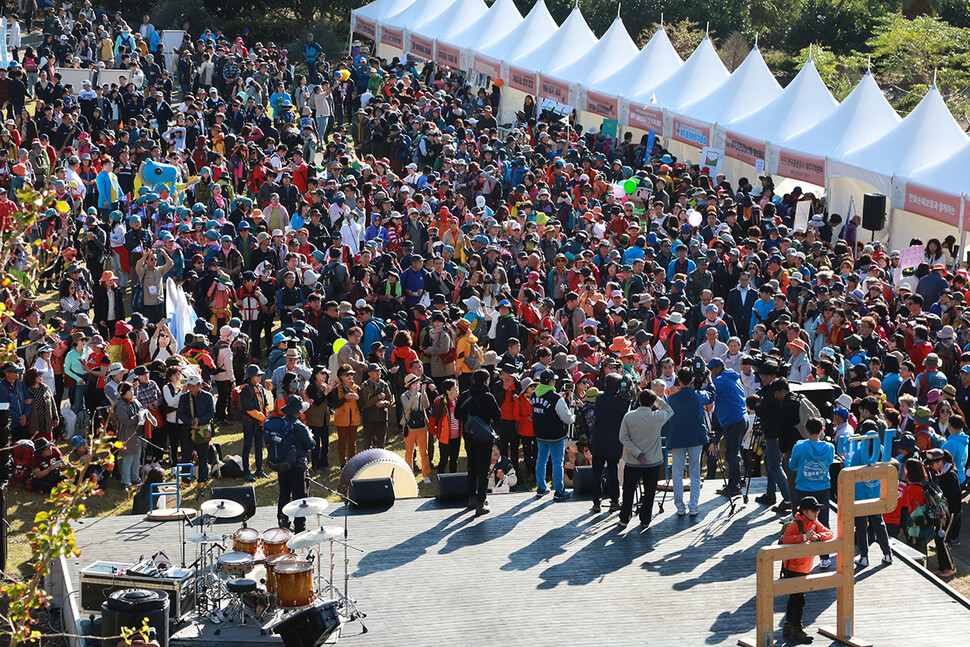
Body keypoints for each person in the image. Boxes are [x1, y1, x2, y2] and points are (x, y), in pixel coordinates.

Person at [780, 496, 835, 643]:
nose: (817, 512)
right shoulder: (794, 524)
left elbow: (830, 533)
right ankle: (796, 629)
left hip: (804, 567)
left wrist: (817, 536)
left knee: (794, 597)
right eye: (814, 510)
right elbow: (787, 539)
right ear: (804, 511)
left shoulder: (814, 523)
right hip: (793, 567)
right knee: (799, 599)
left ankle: (789, 624)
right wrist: (804, 536)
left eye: (818, 509)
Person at [618, 390, 674, 528]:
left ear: (640, 400)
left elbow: (623, 437)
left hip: (633, 461)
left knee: (628, 490)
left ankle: (624, 517)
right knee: (650, 491)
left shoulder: (629, 416)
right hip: (653, 462)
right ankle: (645, 519)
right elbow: (669, 410)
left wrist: (637, 453)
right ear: (652, 402)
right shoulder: (657, 416)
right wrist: (658, 399)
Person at [664, 367, 715, 515]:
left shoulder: (671, 398)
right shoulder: (698, 395)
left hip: (677, 437)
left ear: (678, 380)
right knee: (695, 472)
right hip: (695, 437)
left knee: (677, 474)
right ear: (692, 379)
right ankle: (693, 506)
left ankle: (680, 506)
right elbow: (711, 395)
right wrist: (709, 378)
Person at [788, 417, 836, 568]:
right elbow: (828, 463)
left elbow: (792, 466)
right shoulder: (829, 448)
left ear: (806, 430)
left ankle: (800, 556)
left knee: (800, 522)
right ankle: (825, 557)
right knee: (824, 522)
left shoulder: (799, 447)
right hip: (822, 489)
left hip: (803, 489)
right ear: (822, 430)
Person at [266, 394, 316, 532]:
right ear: (299, 411)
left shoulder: (281, 425)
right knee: (300, 497)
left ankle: (283, 523)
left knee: (284, 494)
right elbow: (311, 445)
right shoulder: (300, 427)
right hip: (298, 467)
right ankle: (299, 526)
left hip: (283, 466)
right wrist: (311, 436)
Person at [456, 369, 502, 516]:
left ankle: (471, 497)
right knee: (483, 469)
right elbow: (497, 415)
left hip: (469, 435)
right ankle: (481, 502)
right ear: (485, 381)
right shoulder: (488, 396)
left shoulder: (464, 395)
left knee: (472, 466)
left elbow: (457, 414)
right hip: (484, 437)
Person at [531, 369, 575, 501]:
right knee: (557, 462)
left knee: (541, 460)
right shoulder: (556, 398)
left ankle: (541, 487)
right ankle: (559, 490)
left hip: (540, 433)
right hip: (555, 435)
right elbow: (567, 419)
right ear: (551, 382)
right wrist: (573, 416)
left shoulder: (534, 394)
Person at [708, 357, 748, 496]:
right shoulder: (732, 377)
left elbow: (708, 395)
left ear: (719, 368)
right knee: (733, 453)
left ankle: (734, 486)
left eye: (711, 370)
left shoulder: (721, 380)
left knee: (731, 454)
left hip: (734, 421)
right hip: (740, 418)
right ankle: (737, 481)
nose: (710, 373)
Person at [589, 373, 626, 513]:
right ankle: (615, 501)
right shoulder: (621, 402)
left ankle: (596, 503)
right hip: (613, 440)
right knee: (612, 471)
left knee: (596, 472)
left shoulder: (600, 398)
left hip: (599, 439)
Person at [177, 373, 215, 491]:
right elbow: (180, 413)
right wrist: (190, 422)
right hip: (187, 431)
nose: (191, 388)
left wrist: (199, 421)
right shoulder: (183, 398)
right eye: (189, 385)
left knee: (203, 457)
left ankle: (202, 481)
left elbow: (211, 413)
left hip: (202, 431)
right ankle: (185, 480)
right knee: (186, 456)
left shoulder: (208, 397)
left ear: (199, 385)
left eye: (193, 386)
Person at [114, 381, 152, 490]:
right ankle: (126, 481)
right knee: (128, 458)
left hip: (138, 434)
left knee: (137, 457)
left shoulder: (134, 401)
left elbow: (141, 409)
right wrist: (138, 417)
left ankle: (135, 478)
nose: (132, 392)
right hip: (127, 435)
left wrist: (143, 414)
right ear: (123, 393)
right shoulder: (120, 406)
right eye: (130, 391)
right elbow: (126, 421)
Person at [239, 363, 272, 480]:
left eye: (260, 375)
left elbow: (266, 403)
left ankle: (259, 469)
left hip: (260, 422)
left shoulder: (260, 388)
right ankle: (246, 471)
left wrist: (266, 414)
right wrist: (262, 417)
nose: (259, 377)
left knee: (259, 446)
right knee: (247, 446)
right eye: (257, 375)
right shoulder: (246, 390)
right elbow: (249, 409)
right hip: (249, 422)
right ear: (250, 377)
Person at [401, 372, 432, 483]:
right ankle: (409, 473)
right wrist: (415, 393)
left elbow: (426, 405)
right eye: (415, 383)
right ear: (410, 385)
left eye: (417, 382)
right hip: (409, 426)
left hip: (422, 426)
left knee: (424, 451)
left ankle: (426, 474)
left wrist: (423, 392)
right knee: (409, 452)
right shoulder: (404, 395)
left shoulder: (420, 394)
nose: (417, 384)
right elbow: (407, 405)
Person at [359, 363, 392, 451]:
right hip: (369, 418)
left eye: (379, 371)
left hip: (382, 417)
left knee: (381, 443)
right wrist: (376, 398)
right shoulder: (364, 386)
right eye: (375, 371)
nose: (378, 373)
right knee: (368, 442)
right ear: (369, 373)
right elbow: (363, 404)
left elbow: (390, 401)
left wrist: (384, 403)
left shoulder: (384, 384)